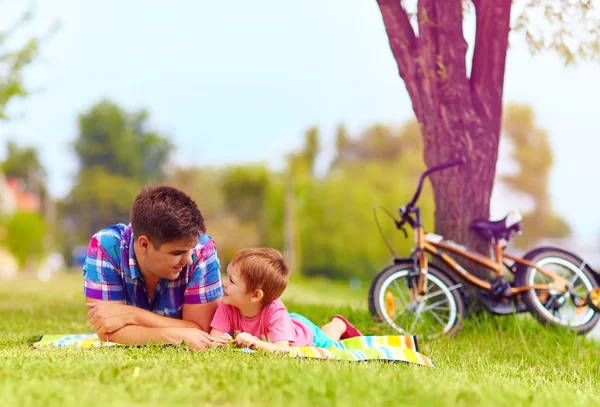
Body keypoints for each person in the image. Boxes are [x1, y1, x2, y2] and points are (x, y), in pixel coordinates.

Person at [83, 185, 223, 350]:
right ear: (144, 244)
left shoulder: (202, 252)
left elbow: (203, 333)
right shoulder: (106, 248)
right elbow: (107, 332)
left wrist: (132, 315)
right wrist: (178, 336)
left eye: (190, 250)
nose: (188, 260)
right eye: (177, 253)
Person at [209, 248, 363, 353]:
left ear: (255, 295)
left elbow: (282, 350)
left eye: (232, 280)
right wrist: (219, 342)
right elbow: (214, 339)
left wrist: (254, 342)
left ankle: (338, 324)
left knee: (331, 343)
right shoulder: (228, 302)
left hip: (302, 332)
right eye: (226, 275)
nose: (224, 282)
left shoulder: (275, 310)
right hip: (285, 324)